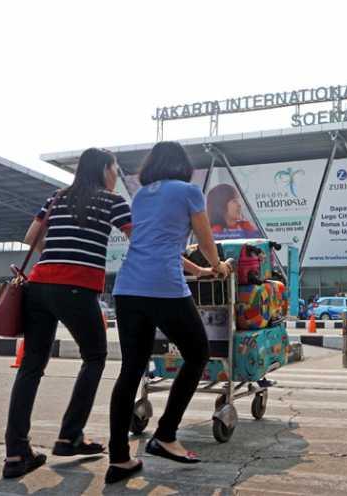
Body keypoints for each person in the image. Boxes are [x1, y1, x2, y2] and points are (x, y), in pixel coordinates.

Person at [107, 142, 232, 484]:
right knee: (198, 354)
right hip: (163, 286)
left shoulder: (144, 195)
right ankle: (165, 434)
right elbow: (206, 241)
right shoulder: (190, 192)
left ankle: (119, 458)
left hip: (128, 287)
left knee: (130, 370)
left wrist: (199, 271)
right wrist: (217, 266)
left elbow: (156, 243)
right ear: (182, 164)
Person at [3, 148, 132, 479]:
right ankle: (70, 435)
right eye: (115, 168)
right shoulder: (111, 201)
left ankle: (16, 453)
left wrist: (59, 252)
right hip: (76, 287)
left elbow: (32, 237)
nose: (116, 174)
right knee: (95, 356)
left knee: (31, 366)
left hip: (39, 285)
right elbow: (139, 236)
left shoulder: (57, 197)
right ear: (104, 169)